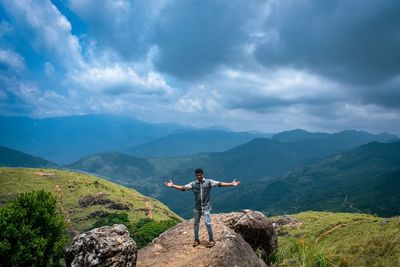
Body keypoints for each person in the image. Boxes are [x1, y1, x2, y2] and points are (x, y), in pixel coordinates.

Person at [164, 168, 240, 248]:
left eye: (200, 175)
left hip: (206, 207)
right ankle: (196, 240)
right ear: (195, 176)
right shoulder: (193, 184)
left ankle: (211, 240)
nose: (199, 176)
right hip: (197, 208)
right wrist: (172, 186)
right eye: (197, 175)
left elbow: (220, 184)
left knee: (208, 223)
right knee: (196, 224)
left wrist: (231, 184)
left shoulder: (209, 182)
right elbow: (183, 188)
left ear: (203, 175)